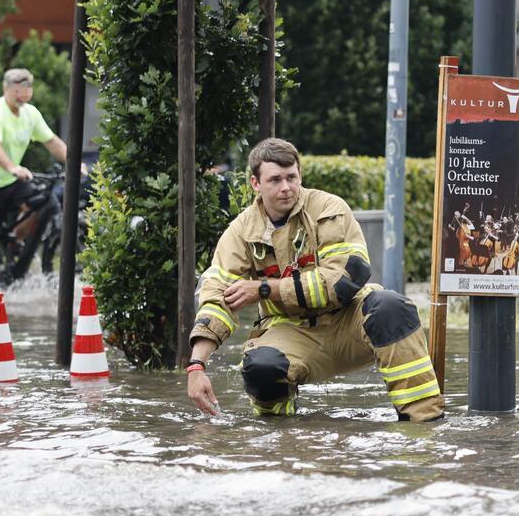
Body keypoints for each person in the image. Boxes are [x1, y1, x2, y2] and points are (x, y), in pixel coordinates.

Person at [183, 138, 443, 422]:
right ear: (255, 184)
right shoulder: (240, 231)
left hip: (348, 321)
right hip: (289, 329)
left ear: (300, 175)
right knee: (261, 367)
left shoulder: (329, 208)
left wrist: (264, 289)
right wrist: (197, 366)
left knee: (391, 307)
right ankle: (283, 435)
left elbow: (343, 281)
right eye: (275, 180)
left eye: (291, 177)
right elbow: (216, 298)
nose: (286, 187)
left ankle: (424, 425)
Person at [0, 67, 69, 290]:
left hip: (11, 179)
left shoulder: (31, 114)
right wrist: (13, 167)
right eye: (17, 91)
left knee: (43, 203)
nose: (22, 96)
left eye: (26, 90)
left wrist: (74, 162)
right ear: (6, 89)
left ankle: (14, 240)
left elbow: (51, 141)